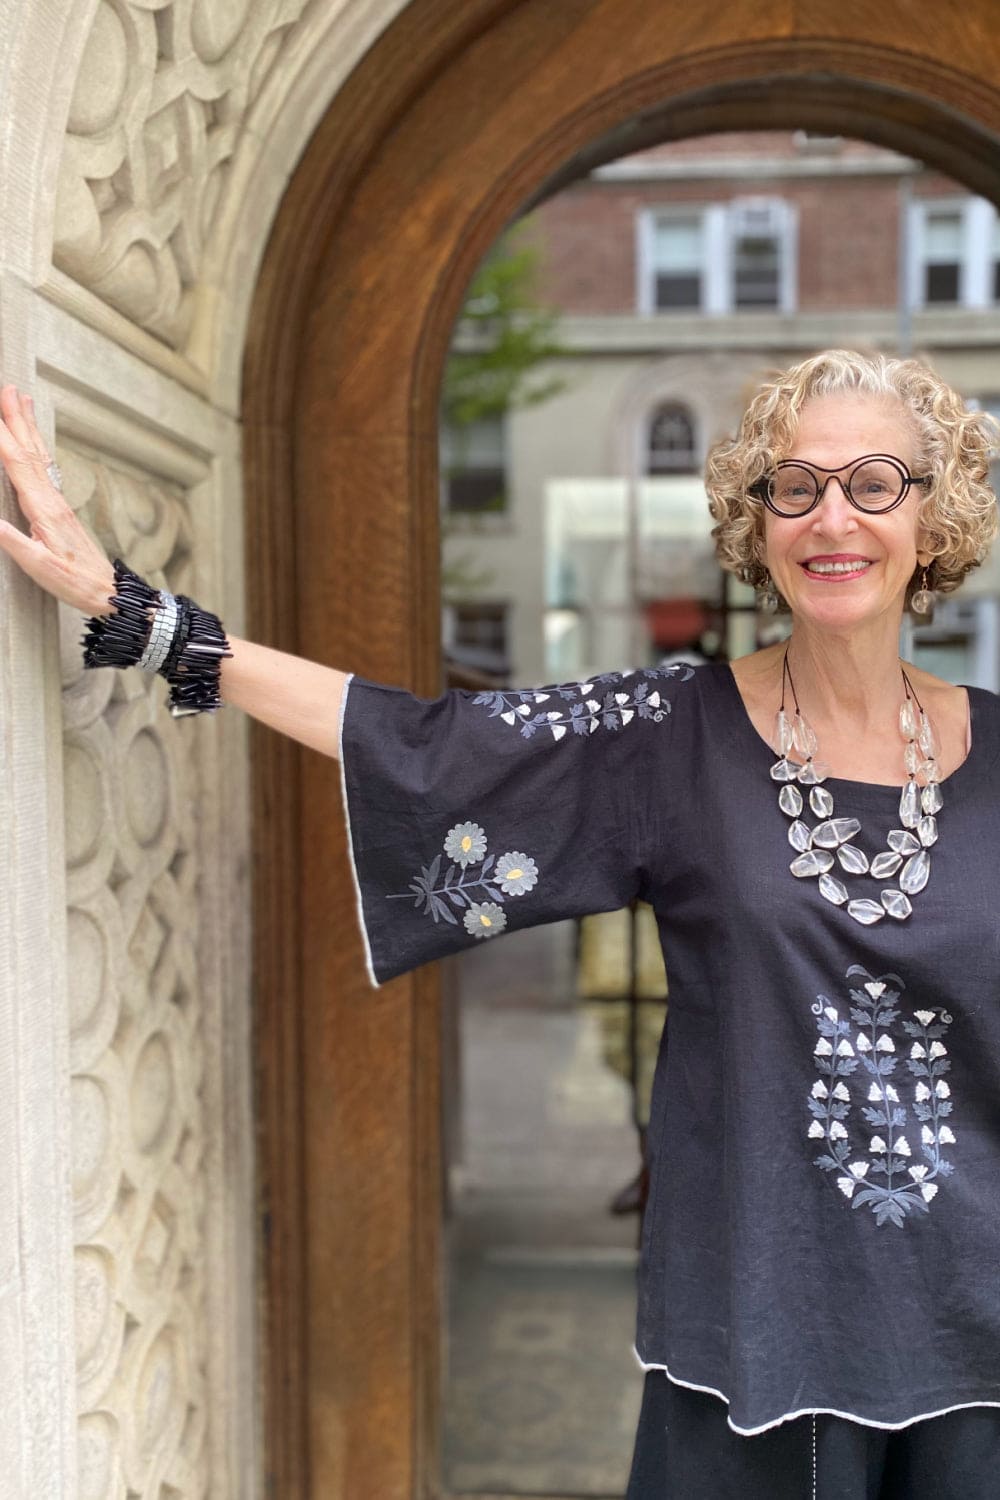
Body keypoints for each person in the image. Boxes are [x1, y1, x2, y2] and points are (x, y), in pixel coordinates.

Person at [1, 348, 998, 1498]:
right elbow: (430, 749)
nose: (834, 517)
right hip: (755, 1332)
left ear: (935, 513)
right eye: (796, 485)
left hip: (978, 1334)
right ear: (755, 519)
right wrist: (151, 621)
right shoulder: (670, 732)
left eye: (877, 482)